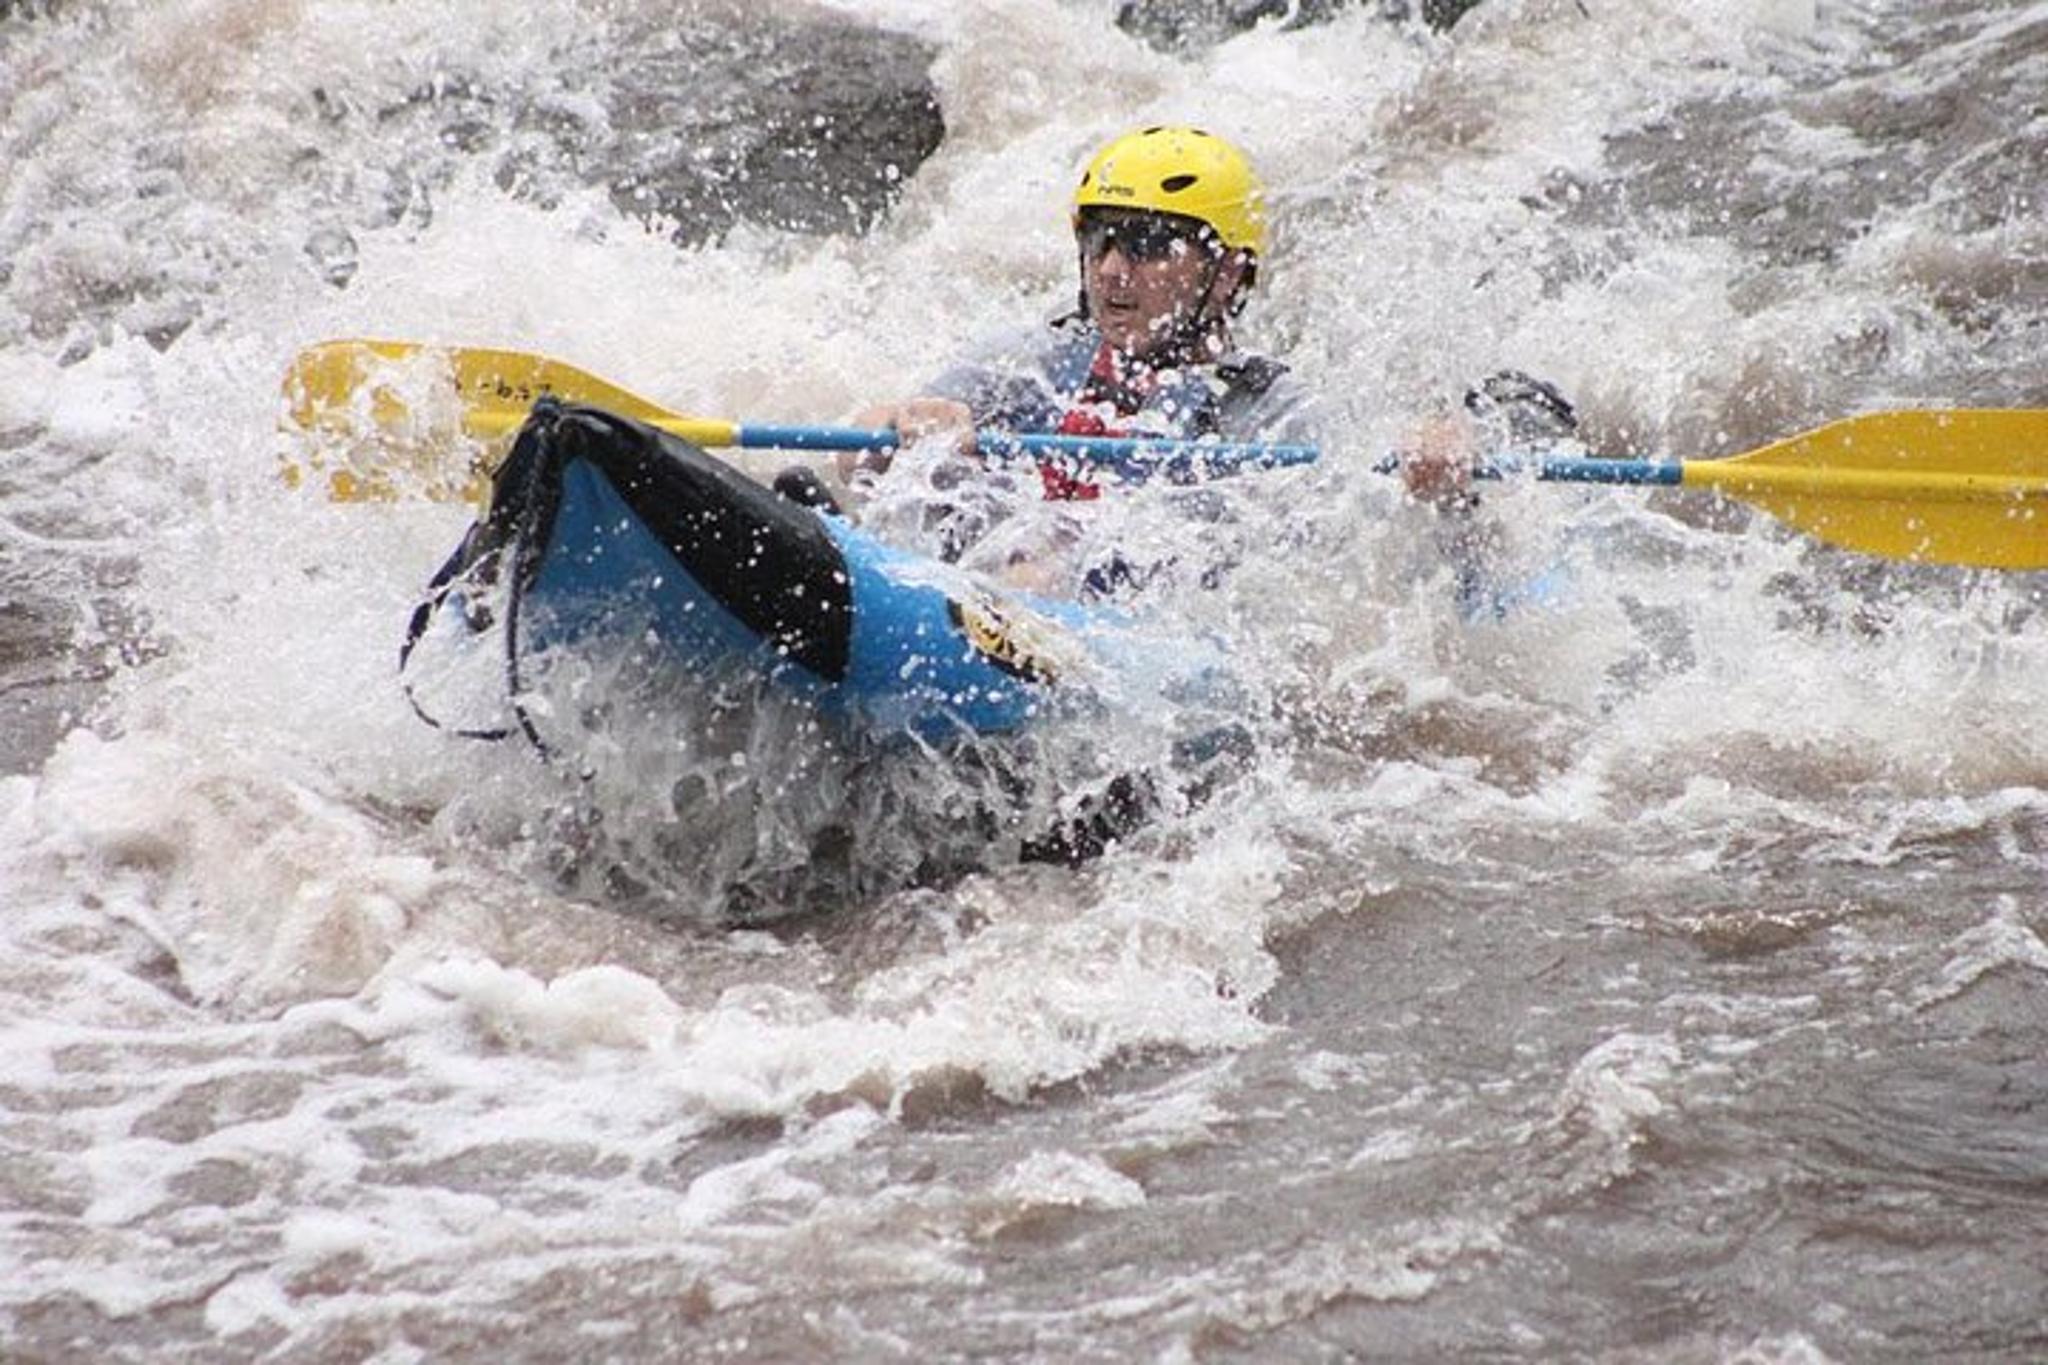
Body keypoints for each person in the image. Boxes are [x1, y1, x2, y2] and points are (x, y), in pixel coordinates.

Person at [839, 125, 1317, 526]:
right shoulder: (1032, 364)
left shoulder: (1270, 413)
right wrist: (902, 424)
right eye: (1098, 238)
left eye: (1146, 244)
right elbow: (855, 459)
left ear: (1227, 271)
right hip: (974, 592)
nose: (1110, 268)